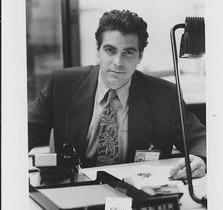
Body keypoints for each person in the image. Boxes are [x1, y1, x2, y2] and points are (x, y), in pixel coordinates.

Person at [28, 9, 206, 179]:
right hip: (73, 190)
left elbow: (200, 139)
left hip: (137, 193)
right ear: (98, 51)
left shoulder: (165, 95)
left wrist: (200, 160)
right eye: (110, 50)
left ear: (140, 56)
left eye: (128, 52)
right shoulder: (62, 84)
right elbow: (23, 133)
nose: (118, 62)